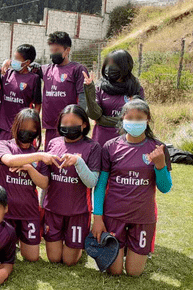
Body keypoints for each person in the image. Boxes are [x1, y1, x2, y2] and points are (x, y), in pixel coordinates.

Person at [92, 99, 172, 277]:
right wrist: (97, 218)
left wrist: (160, 166)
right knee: (115, 271)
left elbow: (165, 188)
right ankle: (116, 247)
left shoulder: (158, 148)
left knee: (134, 273)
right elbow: (100, 185)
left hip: (142, 217)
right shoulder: (110, 147)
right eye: (130, 118)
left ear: (148, 120)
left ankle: (130, 248)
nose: (135, 122)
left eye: (140, 118)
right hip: (114, 215)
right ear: (122, 119)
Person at [37, 105, 102, 266]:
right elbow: (45, 181)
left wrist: (78, 162)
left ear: (84, 124)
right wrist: (40, 205)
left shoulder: (93, 147)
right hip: (53, 210)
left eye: (73, 123)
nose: (68, 127)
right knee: (54, 259)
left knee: (69, 261)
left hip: (78, 212)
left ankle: (78, 246)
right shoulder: (53, 143)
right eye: (64, 123)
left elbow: (92, 182)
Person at [0, 109, 54, 262]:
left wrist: (29, 168)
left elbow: (44, 183)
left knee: (32, 257)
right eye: (23, 128)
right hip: (5, 212)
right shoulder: (3, 145)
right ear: (15, 127)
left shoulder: (37, 153)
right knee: (2, 255)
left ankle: (20, 239)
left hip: (29, 211)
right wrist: (39, 156)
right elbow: (10, 161)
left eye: (32, 129)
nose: (27, 132)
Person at [84, 49, 145, 146]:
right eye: (108, 65)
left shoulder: (135, 89)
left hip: (127, 141)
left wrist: (103, 120)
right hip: (102, 140)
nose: (110, 68)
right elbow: (95, 115)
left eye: (114, 65)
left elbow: (137, 118)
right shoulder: (100, 87)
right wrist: (89, 89)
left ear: (125, 66)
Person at [40, 32, 88, 150]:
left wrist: (78, 121)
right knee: (50, 159)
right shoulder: (45, 69)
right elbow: (28, 67)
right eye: (52, 50)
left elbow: (83, 97)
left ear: (67, 50)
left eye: (57, 50)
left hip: (69, 126)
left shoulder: (77, 69)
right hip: (50, 126)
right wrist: (8, 63)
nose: (53, 54)